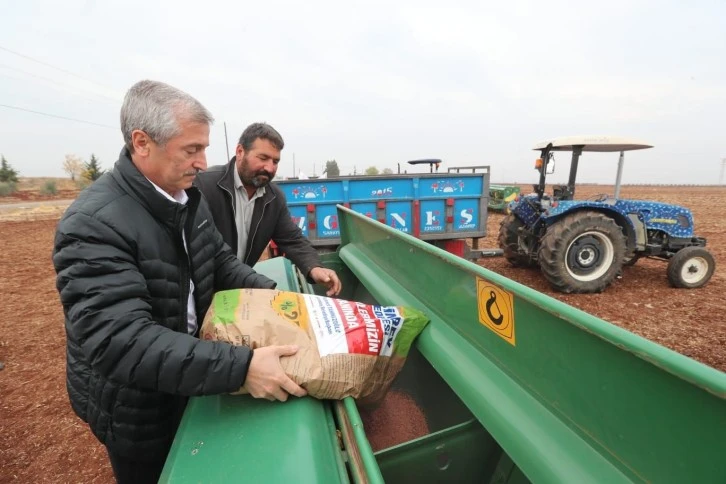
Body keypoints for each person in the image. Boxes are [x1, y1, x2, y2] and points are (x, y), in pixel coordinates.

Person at [52, 80, 306, 484]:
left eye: (204, 148)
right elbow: (123, 342)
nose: (203, 162)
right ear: (142, 143)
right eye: (192, 149)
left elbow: (219, 260)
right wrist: (242, 368)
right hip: (138, 406)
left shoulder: (184, 197)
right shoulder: (93, 224)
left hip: (188, 374)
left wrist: (276, 299)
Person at [195, 122, 342, 296]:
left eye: (275, 161)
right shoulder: (205, 186)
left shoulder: (273, 197)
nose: (270, 168)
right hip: (201, 292)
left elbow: (292, 239)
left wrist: (314, 268)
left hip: (235, 290)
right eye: (263, 158)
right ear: (240, 151)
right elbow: (207, 252)